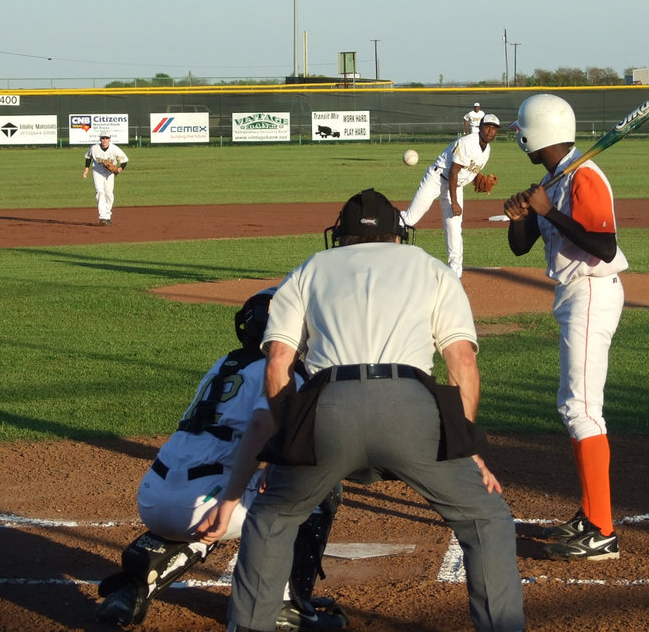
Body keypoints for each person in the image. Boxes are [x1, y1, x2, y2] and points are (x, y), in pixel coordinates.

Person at [196, 189, 525, 632]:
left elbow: (277, 365)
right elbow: (462, 362)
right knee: (486, 518)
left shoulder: (310, 269)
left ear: (342, 235)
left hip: (328, 409)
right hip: (413, 411)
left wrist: (285, 441)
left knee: (273, 517)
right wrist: (465, 447)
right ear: (397, 234)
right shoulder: (432, 268)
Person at [94, 288, 346, 631]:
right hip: (203, 500)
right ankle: (286, 606)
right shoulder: (284, 371)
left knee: (220, 494)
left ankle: (136, 584)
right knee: (319, 486)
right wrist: (229, 501)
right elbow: (260, 426)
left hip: (153, 493)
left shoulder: (225, 364)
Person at [501, 94, 626, 561]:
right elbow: (520, 246)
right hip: (573, 295)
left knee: (583, 409)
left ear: (538, 133)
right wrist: (522, 216)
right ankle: (591, 514)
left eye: (522, 131)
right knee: (572, 405)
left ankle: (603, 530)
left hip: (592, 291)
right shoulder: (555, 180)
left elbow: (606, 246)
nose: (519, 138)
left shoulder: (584, 176)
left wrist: (548, 210)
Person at [399, 114, 500, 277]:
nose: (490, 131)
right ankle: (381, 230)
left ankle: (455, 273)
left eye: (494, 128)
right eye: (487, 126)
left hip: (455, 185)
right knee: (410, 218)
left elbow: (466, 171)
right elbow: (453, 171)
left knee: (454, 227)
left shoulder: (486, 150)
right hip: (437, 179)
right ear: (480, 127)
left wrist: (476, 179)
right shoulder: (468, 143)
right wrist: (455, 202)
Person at [82, 133, 129, 226]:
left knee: (109, 194)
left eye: (106, 138)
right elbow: (88, 158)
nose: (104, 140)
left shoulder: (114, 149)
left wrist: (119, 169)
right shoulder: (94, 148)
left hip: (109, 174)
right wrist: (86, 170)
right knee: (99, 192)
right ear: (100, 139)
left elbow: (124, 161)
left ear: (109, 139)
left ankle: (108, 216)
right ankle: (103, 217)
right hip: (97, 172)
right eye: (103, 138)